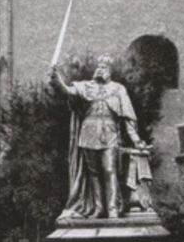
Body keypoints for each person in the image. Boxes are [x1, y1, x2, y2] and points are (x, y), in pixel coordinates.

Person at [49, 55, 147, 219]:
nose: (100, 70)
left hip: (109, 134)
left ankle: (112, 208)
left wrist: (135, 139)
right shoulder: (86, 87)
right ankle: (98, 208)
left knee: (109, 170)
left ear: (110, 72)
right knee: (93, 173)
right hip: (88, 134)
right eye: (99, 67)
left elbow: (127, 117)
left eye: (104, 67)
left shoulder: (118, 89)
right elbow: (67, 91)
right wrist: (56, 78)